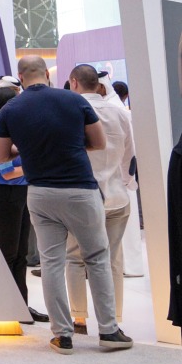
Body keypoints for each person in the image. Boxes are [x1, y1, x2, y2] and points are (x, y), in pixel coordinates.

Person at [0, 56, 133, 354]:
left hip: (41, 193)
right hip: (80, 189)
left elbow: (0, 155)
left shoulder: (10, 109)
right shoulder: (73, 100)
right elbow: (98, 142)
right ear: (46, 73)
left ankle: (62, 336)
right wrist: (67, 143)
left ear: (20, 76)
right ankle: (108, 331)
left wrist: (28, 147)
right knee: (96, 257)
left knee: (52, 262)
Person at [66, 66, 134, 335]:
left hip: (82, 195)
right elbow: (130, 156)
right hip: (117, 195)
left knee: (75, 257)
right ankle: (113, 318)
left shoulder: (73, 111)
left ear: (74, 83)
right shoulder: (119, 111)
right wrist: (127, 183)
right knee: (113, 259)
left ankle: (79, 319)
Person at [0, 82, 48, 324]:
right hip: (7, 195)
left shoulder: (8, 137)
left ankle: (21, 306)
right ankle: (7, 306)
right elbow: (7, 172)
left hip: (19, 194)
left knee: (20, 255)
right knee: (9, 254)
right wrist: (31, 161)